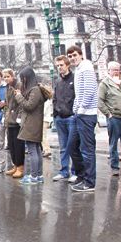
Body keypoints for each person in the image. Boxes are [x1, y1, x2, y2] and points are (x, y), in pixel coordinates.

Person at [67, 45, 98, 192]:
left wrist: (81, 109)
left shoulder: (86, 67)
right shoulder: (78, 69)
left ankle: (90, 182)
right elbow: (78, 93)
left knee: (87, 149)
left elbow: (90, 89)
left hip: (87, 114)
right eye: (70, 56)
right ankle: (81, 176)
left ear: (80, 55)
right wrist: (75, 110)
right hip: (79, 114)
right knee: (72, 146)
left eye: (74, 55)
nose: (72, 58)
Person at [15, 67, 49, 185]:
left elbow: (29, 106)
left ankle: (34, 176)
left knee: (32, 151)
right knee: (37, 150)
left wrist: (19, 96)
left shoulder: (34, 90)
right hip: (34, 123)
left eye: (22, 78)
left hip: (31, 124)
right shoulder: (37, 89)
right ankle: (38, 175)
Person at [51, 55, 79, 183]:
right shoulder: (58, 81)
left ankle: (75, 172)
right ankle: (64, 171)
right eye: (58, 65)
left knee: (73, 146)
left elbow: (77, 97)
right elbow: (55, 98)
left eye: (61, 65)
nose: (59, 68)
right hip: (60, 118)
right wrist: (56, 113)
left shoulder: (75, 79)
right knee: (63, 147)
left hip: (71, 117)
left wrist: (74, 113)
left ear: (68, 65)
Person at [3, 68, 25, 178]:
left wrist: (20, 116)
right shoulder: (7, 87)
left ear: (13, 76)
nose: (6, 79)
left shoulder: (18, 85)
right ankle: (15, 165)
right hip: (9, 119)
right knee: (11, 144)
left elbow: (21, 102)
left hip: (16, 119)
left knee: (18, 145)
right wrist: (4, 116)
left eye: (8, 76)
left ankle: (20, 167)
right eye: (5, 77)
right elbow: (7, 104)